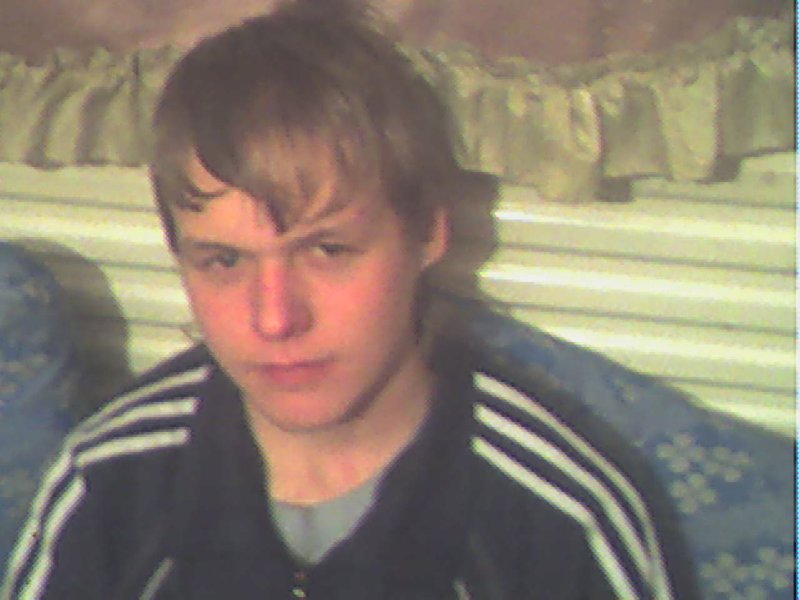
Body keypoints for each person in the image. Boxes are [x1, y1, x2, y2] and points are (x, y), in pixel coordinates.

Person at [3, 1, 701, 598]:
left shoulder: (563, 521)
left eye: (328, 250)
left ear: (427, 233)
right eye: (224, 261)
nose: (275, 318)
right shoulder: (106, 484)